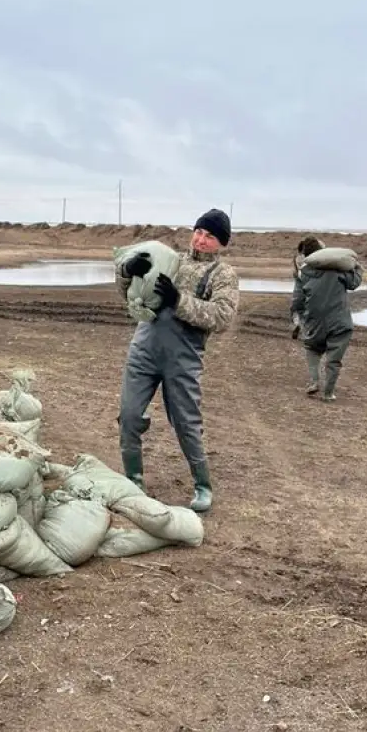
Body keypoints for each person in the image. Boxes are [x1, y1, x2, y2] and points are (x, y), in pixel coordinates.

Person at [116, 208, 239, 513]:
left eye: (210, 236)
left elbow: (222, 316)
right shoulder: (171, 260)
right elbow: (130, 295)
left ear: (221, 243)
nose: (201, 239)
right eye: (198, 232)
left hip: (183, 358)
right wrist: (128, 271)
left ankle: (202, 485)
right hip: (144, 349)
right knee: (129, 416)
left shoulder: (222, 274)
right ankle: (134, 480)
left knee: (186, 423)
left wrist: (178, 300)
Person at [291, 235, 363, 402]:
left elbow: (298, 299)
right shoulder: (338, 269)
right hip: (340, 321)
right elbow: (354, 283)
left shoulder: (303, 273)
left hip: (314, 321)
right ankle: (328, 393)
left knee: (312, 348)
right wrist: (358, 268)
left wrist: (297, 317)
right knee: (334, 357)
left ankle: (314, 381)